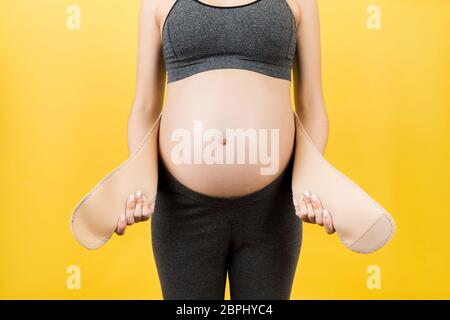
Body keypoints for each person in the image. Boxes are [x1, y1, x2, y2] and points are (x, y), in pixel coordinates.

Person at [114, 0, 335, 299]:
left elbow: (311, 104)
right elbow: (144, 107)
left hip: (273, 207)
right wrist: (137, 185)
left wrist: (312, 180)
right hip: (182, 209)